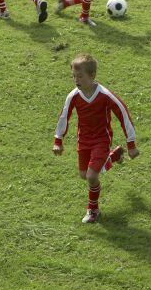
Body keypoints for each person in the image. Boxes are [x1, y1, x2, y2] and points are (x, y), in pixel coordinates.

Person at [53, 54, 139, 224]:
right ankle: (114, 156)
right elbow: (64, 117)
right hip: (83, 140)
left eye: (80, 76)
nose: (76, 80)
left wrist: (132, 144)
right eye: (74, 76)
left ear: (92, 76)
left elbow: (123, 114)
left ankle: (93, 210)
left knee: (92, 176)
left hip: (101, 139)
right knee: (84, 175)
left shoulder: (105, 95)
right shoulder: (73, 96)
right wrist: (58, 141)